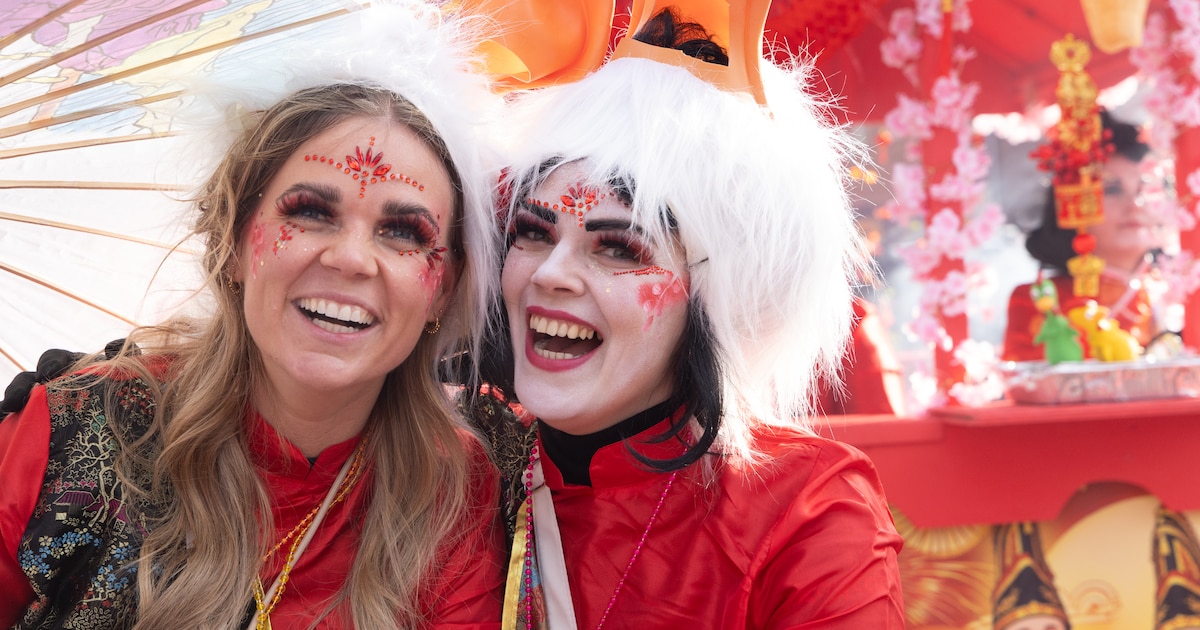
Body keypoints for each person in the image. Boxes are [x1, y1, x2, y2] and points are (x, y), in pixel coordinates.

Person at [0, 4, 505, 628]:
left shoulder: (457, 494)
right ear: (236, 244)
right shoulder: (75, 429)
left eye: (403, 231)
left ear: (442, 286)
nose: (350, 258)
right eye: (311, 211)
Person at [476, 5, 904, 627]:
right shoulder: (458, 483)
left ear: (715, 297)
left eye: (618, 247)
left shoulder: (806, 512)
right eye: (534, 233)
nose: (548, 273)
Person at [1002, 110, 1164, 362]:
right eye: (1112, 189)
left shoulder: (1180, 295)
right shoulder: (1039, 303)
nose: (1135, 204)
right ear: (1072, 204)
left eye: (1146, 190)